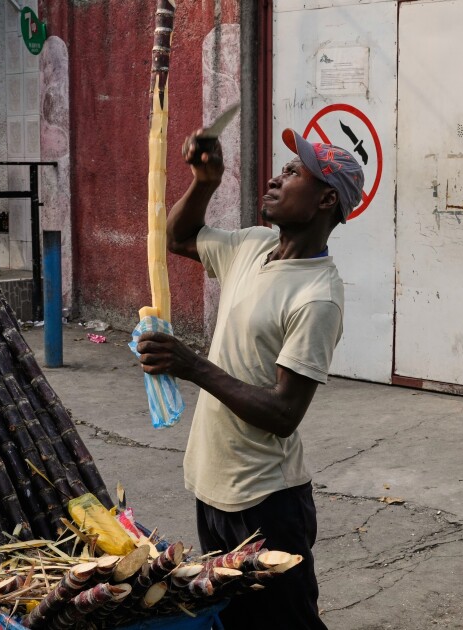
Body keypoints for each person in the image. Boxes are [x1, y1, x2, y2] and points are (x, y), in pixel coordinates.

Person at [136, 127, 364, 629]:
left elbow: (284, 413)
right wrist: (205, 181)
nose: (276, 179)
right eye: (282, 168)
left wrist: (191, 365)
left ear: (326, 199)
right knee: (233, 620)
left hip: (266, 501)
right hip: (212, 484)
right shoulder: (254, 245)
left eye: (293, 172)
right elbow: (176, 238)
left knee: (286, 624)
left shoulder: (317, 297)